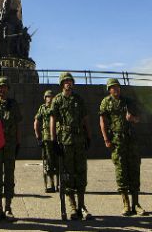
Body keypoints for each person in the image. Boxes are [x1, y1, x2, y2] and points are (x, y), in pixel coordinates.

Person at [50, 72, 93, 220]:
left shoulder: (79, 99)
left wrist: (89, 135)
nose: (68, 83)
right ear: (62, 84)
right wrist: (53, 140)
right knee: (67, 175)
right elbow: (53, 119)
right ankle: (73, 207)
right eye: (66, 81)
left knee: (81, 173)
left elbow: (85, 118)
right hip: (65, 141)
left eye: (70, 81)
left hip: (79, 140)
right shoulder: (57, 100)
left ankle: (82, 206)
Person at [99, 78, 145, 216]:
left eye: (117, 86)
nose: (116, 89)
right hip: (116, 141)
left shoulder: (129, 101)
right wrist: (106, 139)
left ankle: (136, 203)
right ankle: (126, 204)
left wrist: (133, 119)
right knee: (121, 171)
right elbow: (103, 121)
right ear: (109, 89)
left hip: (131, 140)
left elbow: (139, 118)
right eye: (113, 87)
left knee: (134, 170)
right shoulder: (105, 102)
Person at [0, 77, 22, 222]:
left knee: (9, 176)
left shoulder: (13, 105)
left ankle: (8, 207)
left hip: (9, 145)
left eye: (4, 87)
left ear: (8, 89)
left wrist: (18, 142)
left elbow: (18, 125)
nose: (1, 89)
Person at [34, 90, 57, 193]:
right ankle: (51, 185)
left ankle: (60, 184)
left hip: (58, 138)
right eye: (48, 96)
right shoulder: (42, 108)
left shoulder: (57, 107)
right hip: (47, 139)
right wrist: (38, 137)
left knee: (60, 162)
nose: (50, 98)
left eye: (51, 96)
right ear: (45, 98)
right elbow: (36, 123)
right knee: (49, 162)